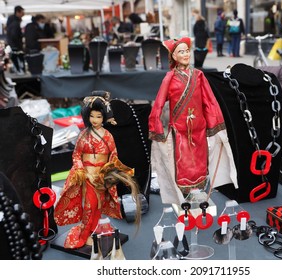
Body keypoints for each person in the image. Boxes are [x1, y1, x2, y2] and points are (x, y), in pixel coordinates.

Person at [148, 37, 238, 205]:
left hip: (199, 129)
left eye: (187, 50)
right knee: (183, 163)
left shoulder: (199, 75)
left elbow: (209, 101)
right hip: (180, 130)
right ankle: (184, 193)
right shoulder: (169, 78)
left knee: (200, 162)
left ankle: (197, 191)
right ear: (174, 56)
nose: (186, 54)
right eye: (181, 51)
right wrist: (156, 126)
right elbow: (159, 103)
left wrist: (215, 125)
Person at [54, 91, 141, 249]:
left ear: (104, 117)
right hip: (87, 176)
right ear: (88, 116)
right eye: (92, 116)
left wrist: (110, 173)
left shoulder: (108, 136)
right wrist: (81, 169)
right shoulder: (83, 136)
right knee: (89, 206)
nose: (95, 120)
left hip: (101, 177)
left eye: (99, 117)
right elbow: (76, 155)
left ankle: (95, 230)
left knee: (99, 207)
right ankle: (86, 232)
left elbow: (113, 156)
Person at [6, 5, 25, 73]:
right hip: (15, 44)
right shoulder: (15, 22)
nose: (23, 14)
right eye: (22, 13)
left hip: (13, 43)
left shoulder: (13, 20)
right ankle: (20, 70)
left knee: (16, 57)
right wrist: (18, 44)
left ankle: (19, 70)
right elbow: (14, 34)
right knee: (18, 57)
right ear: (17, 12)